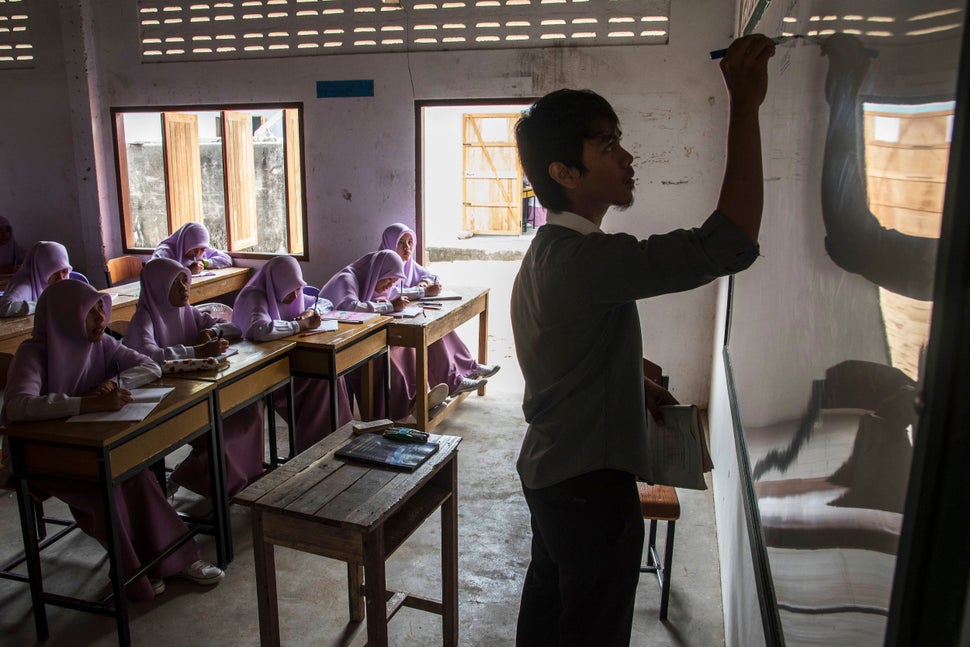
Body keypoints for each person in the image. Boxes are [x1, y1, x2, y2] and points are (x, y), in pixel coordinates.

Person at [509, 34, 774, 646]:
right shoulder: (587, 259)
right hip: (589, 487)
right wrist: (746, 105)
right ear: (563, 172)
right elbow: (728, 243)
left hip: (552, 474)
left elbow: (566, 357)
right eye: (607, 145)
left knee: (550, 617)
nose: (627, 157)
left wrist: (637, 381)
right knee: (593, 632)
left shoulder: (548, 252)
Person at [2, 279, 224, 599]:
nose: (100, 318)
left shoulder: (100, 343)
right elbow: (18, 406)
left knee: (135, 473)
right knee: (111, 487)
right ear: (65, 315)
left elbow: (148, 365)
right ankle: (144, 567)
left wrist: (109, 383)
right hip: (42, 456)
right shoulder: (33, 353)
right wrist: (85, 402)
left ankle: (168, 559)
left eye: (99, 309)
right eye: (89, 312)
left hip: (93, 444)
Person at [123, 257, 263, 497]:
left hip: (196, 388)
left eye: (184, 281)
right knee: (218, 431)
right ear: (158, 287)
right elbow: (147, 355)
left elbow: (234, 328)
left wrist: (210, 331)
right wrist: (194, 352)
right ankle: (196, 477)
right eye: (175, 284)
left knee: (248, 411)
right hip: (163, 397)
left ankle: (239, 479)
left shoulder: (187, 312)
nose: (184, 288)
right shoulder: (144, 318)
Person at [232, 255, 352, 453]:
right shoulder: (254, 297)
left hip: (291, 364)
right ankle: (313, 449)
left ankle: (332, 442)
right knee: (322, 378)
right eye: (292, 289)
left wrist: (308, 312)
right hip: (264, 373)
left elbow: (324, 303)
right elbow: (259, 329)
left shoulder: (293, 294)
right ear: (277, 284)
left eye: (299, 288)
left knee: (329, 375)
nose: (296, 295)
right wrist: (299, 325)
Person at [319, 249, 449, 420]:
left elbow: (393, 293)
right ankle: (403, 407)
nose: (390, 285)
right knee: (385, 354)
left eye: (394, 281)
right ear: (379, 272)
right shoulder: (347, 278)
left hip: (358, 334)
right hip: (337, 341)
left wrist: (417, 293)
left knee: (404, 346)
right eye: (389, 279)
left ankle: (419, 399)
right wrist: (388, 307)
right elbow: (348, 306)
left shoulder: (373, 278)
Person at [379, 223, 499, 396]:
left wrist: (425, 283)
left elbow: (431, 276)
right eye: (401, 243)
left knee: (442, 328)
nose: (407, 248)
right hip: (390, 325)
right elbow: (390, 292)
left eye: (410, 242)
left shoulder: (409, 265)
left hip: (406, 317)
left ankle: (469, 368)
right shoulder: (384, 264)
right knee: (432, 331)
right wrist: (422, 291)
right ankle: (454, 381)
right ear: (390, 244)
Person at [0, 241, 72, 317]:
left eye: (64, 271)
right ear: (41, 270)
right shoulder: (24, 284)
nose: (61, 278)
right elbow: (4, 308)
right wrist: (44, 304)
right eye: (54, 273)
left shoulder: (61, 282)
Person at [152, 222, 232, 275]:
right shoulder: (165, 251)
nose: (198, 254)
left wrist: (205, 263)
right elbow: (152, 272)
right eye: (195, 249)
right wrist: (187, 271)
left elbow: (227, 259)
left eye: (202, 249)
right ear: (186, 243)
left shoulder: (201, 250)